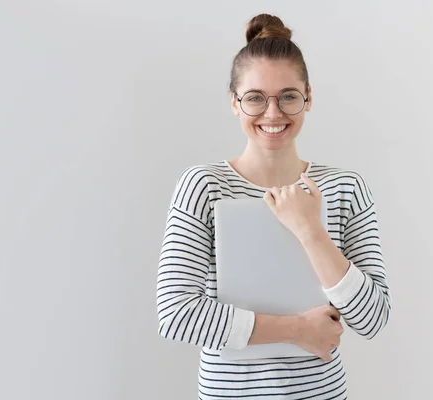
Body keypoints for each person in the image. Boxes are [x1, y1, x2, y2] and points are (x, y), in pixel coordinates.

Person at [156, 13, 392, 400]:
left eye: (288, 96)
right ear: (234, 103)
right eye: (255, 98)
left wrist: (309, 229)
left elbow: (373, 318)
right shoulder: (204, 186)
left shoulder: (346, 187)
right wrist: (299, 330)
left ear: (308, 99)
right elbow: (176, 314)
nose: (272, 113)